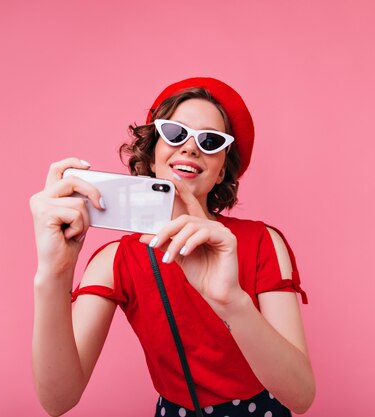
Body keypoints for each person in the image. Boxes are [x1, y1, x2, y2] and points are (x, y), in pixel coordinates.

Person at [30, 77, 315, 417]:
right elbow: (58, 400)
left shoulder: (262, 242)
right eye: (175, 133)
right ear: (151, 154)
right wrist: (53, 273)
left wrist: (231, 302)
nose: (191, 147)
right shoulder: (115, 261)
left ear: (223, 169)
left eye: (210, 141)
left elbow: (301, 398)